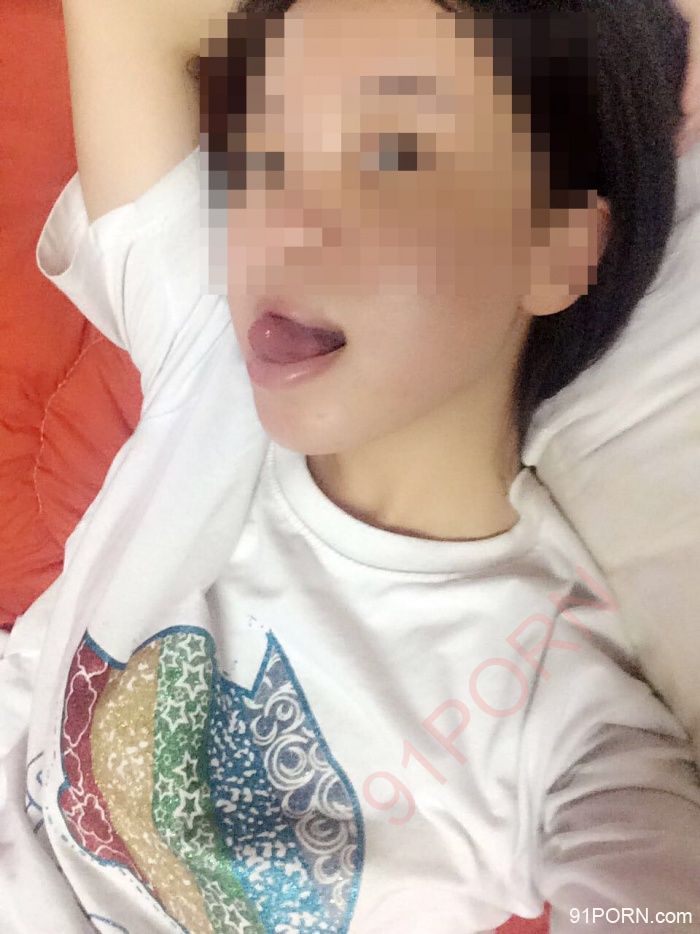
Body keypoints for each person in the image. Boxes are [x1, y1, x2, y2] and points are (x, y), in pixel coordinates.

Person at [1, 1, 700, 932]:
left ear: (560, 248)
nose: (281, 229)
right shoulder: (208, 360)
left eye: (393, 156)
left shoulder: (566, 727)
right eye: (264, 155)